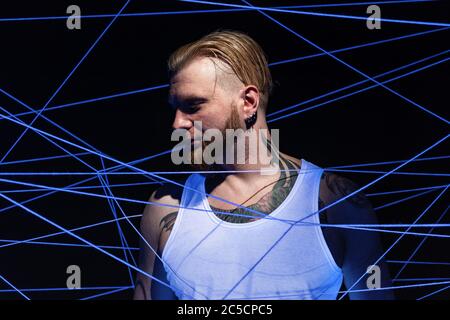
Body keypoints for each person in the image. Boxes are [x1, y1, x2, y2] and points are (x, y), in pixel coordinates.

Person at [133, 30, 394, 300]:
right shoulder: (164, 209)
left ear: (248, 102)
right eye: (175, 108)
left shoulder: (339, 203)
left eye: (193, 105)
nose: (177, 123)